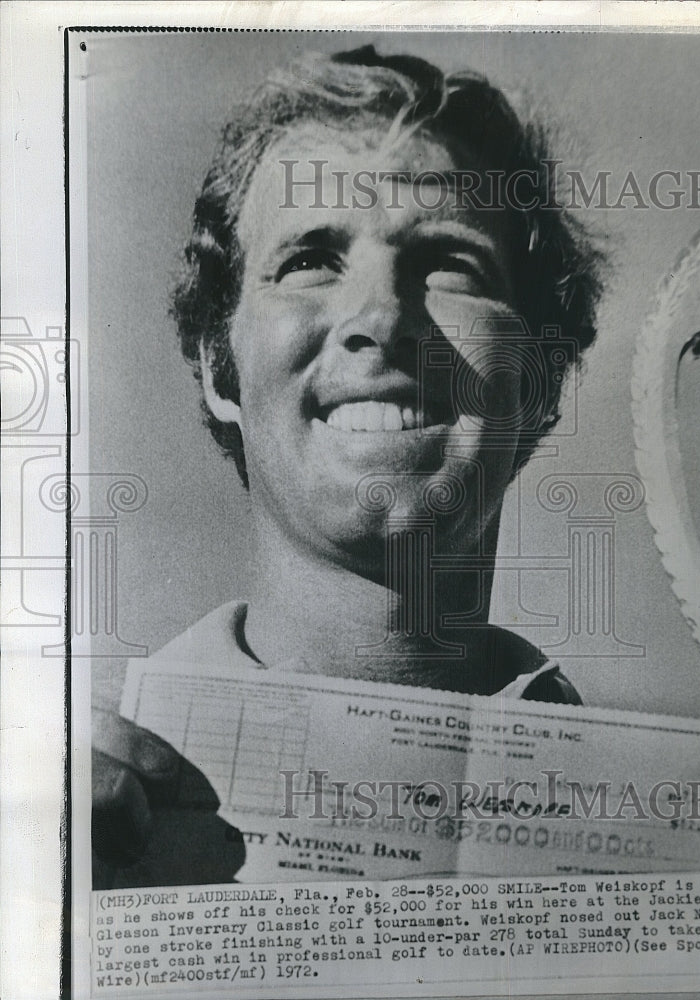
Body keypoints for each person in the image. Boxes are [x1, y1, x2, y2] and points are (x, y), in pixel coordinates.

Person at [92, 45, 603, 882]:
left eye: (449, 262)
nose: (382, 317)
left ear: (542, 380)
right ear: (219, 369)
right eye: (309, 262)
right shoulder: (60, 803)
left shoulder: (692, 819)